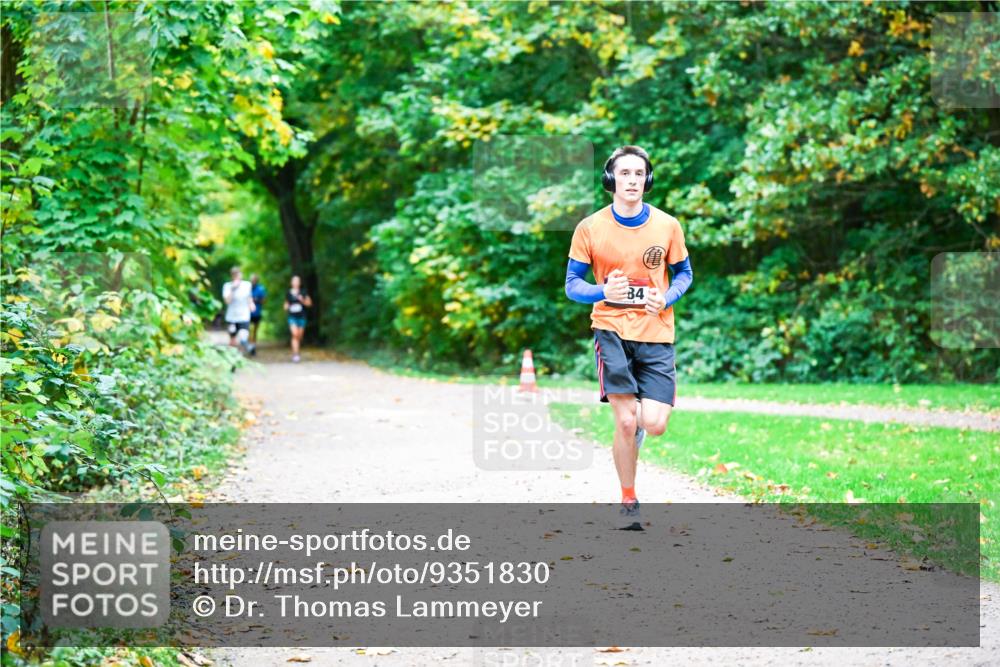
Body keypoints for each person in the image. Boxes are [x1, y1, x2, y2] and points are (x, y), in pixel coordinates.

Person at [564, 145, 694, 529]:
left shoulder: (668, 226)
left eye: (639, 173)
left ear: (647, 180)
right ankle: (628, 500)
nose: (632, 180)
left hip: (656, 332)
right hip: (611, 329)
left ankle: (635, 424)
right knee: (624, 421)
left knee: (654, 423)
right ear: (611, 179)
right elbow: (572, 285)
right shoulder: (590, 228)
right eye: (625, 173)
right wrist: (604, 291)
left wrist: (666, 297)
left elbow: (684, 274)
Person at [222, 266, 256, 355]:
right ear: (232, 276)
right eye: (235, 275)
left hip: (244, 316)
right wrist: (233, 289)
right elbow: (227, 301)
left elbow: (249, 297)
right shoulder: (227, 286)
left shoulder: (247, 285)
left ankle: (244, 350)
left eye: (238, 274)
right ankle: (232, 356)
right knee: (232, 338)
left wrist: (251, 304)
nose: (237, 277)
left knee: (243, 336)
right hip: (231, 317)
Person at [283, 275, 312, 363]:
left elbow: (309, 303)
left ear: (299, 283)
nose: (295, 283)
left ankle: (297, 351)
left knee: (299, 336)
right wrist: (287, 307)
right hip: (292, 316)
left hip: (302, 316)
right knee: (294, 334)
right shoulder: (288, 293)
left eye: (297, 281)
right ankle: (295, 354)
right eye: (294, 281)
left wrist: (302, 300)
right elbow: (285, 305)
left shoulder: (303, 292)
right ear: (291, 283)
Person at [249, 274, 266, 355]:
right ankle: (249, 346)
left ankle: (253, 346)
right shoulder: (247, 288)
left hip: (257, 313)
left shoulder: (260, 289)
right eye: (251, 280)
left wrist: (256, 300)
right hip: (247, 314)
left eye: (254, 280)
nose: (253, 281)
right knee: (248, 330)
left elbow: (264, 300)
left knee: (255, 331)